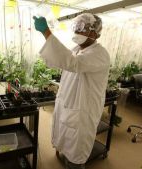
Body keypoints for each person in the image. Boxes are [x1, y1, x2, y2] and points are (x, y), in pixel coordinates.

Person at [33, 13, 110, 169]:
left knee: (77, 147)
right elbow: (63, 60)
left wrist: (46, 32)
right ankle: (66, 157)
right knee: (65, 137)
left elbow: (73, 63)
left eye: (82, 29)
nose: (77, 32)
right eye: (76, 28)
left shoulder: (100, 54)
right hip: (68, 103)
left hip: (83, 109)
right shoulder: (77, 49)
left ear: (95, 33)